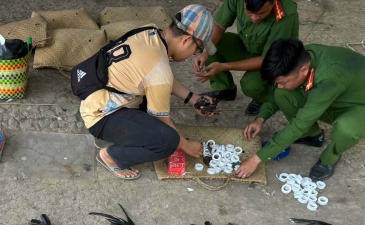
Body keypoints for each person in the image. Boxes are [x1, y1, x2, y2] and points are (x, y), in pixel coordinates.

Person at [80, 5, 217, 180]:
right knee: (169, 141)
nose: (194, 54)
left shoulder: (150, 32)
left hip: (95, 98)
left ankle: (124, 135)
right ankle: (111, 156)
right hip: (101, 118)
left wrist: (193, 98)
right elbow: (161, 111)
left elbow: (158, 76)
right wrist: (186, 145)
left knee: (158, 98)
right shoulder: (159, 70)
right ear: (186, 40)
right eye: (197, 49)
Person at [237, 39, 365, 181]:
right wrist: (261, 118)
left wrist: (256, 159)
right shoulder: (299, 57)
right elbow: (278, 91)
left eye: (283, 82)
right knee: (282, 93)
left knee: (346, 129)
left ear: (303, 70)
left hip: (359, 106)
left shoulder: (328, 80)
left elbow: (300, 123)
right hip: (333, 96)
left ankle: (330, 158)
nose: (279, 85)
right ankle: (312, 136)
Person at [193, 0, 298, 116]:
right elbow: (219, 26)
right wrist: (205, 52)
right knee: (211, 44)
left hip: (273, 60)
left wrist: (223, 66)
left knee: (250, 85)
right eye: (249, 12)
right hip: (248, 47)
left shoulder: (285, 13)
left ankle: (264, 99)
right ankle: (225, 89)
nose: (255, 18)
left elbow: (265, 60)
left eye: (262, 13)